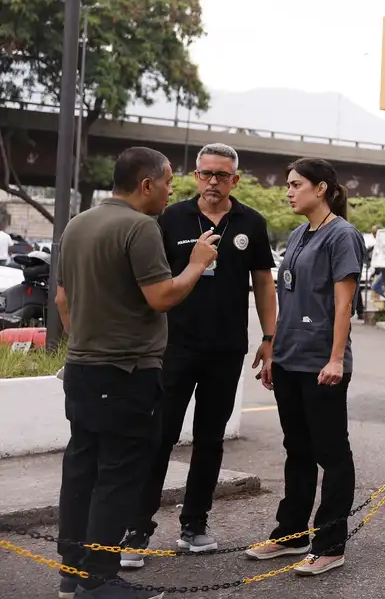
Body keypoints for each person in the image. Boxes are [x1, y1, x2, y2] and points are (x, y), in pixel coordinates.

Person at [54, 146, 219, 599]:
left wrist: (88, 340)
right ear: (147, 184)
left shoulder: (77, 224)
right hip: (127, 371)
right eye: (167, 183)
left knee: (82, 466)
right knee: (118, 473)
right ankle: (101, 579)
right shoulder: (140, 227)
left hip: (83, 369)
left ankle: (73, 571)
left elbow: (63, 301)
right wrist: (197, 263)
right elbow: (162, 297)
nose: (171, 192)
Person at [121, 144, 277, 569]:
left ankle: (194, 524)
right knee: (159, 437)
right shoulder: (169, 218)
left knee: (210, 440)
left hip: (226, 350)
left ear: (235, 181)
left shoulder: (251, 223)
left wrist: (269, 336)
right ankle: (136, 529)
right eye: (206, 173)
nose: (213, 182)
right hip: (173, 347)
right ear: (195, 176)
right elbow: (150, 281)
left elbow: (263, 283)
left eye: (222, 176)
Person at [245, 157, 365, 577]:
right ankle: (290, 535)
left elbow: (343, 304)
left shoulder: (342, 235)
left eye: (296, 184)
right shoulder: (298, 234)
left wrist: (335, 359)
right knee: (297, 450)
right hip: (290, 359)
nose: (289, 191)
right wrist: (273, 350)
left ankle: (330, 543)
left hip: (322, 363)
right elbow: (288, 298)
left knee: (331, 453)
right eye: (288, 185)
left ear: (322, 188)